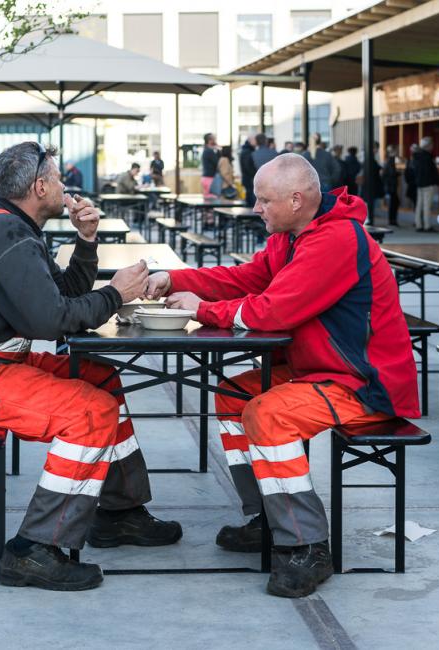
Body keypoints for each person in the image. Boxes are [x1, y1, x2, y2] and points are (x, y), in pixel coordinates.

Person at [145, 153, 420, 598]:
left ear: (296, 200)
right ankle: (268, 518)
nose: (256, 208)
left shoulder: (335, 240)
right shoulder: (292, 234)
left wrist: (201, 308)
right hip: (321, 371)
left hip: (365, 383)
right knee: (235, 392)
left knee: (269, 415)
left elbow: (275, 311)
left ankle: (308, 546)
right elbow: (246, 278)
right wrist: (173, 279)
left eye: (263, 200)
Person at [0, 142, 181, 592]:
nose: (64, 186)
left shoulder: (13, 229)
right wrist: (116, 294)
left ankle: (120, 513)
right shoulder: (4, 236)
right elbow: (52, 321)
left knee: (100, 376)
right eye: (57, 178)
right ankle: (33, 549)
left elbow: (65, 297)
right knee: (90, 412)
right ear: (40, 186)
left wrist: (87, 239)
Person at [412, 138, 439, 231]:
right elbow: (430, 171)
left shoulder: (416, 156)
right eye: (431, 145)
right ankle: (427, 225)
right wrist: (435, 181)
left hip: (419, 184)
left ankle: (418, 224)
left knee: (419, 205)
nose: (432, 147)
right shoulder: (427, 157)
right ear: (427, 146)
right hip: (428, 184)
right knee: (427, 205)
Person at [381, 145, 401, 226]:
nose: (397, 152)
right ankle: (392, 220)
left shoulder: (389, 161)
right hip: (391, 186)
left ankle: (393, 220)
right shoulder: (390, 161)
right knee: (394, 203)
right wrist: (398, 173)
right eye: (395, 151)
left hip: (391, 186)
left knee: (394, 202)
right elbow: (391, 173)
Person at [239, 137, 257, 206]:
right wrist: (255, 174)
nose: (256, 142)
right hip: (249, 179)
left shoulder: (246, 150)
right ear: (250, 141)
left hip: (247, 179)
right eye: (254, 140)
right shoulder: (247, 151)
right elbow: (248, 167)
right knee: (251, 199)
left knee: (249, 197)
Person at [201, 133, 219, 197]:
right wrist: (218, 150)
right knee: (212, 199)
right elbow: (217, 163)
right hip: (210, 178)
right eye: (214, 139)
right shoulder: (209, 151)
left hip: (206, 178)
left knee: (207, 198)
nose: (216, 140)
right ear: (210, 140)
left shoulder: (206, 150)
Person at [404, 143, 419, 211]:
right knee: (416, 200)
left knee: (416, 201)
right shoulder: (411, 160)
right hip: (414, 183)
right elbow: (407, 171)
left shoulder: (414, 159)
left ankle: (417, 218)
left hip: (415, 183)